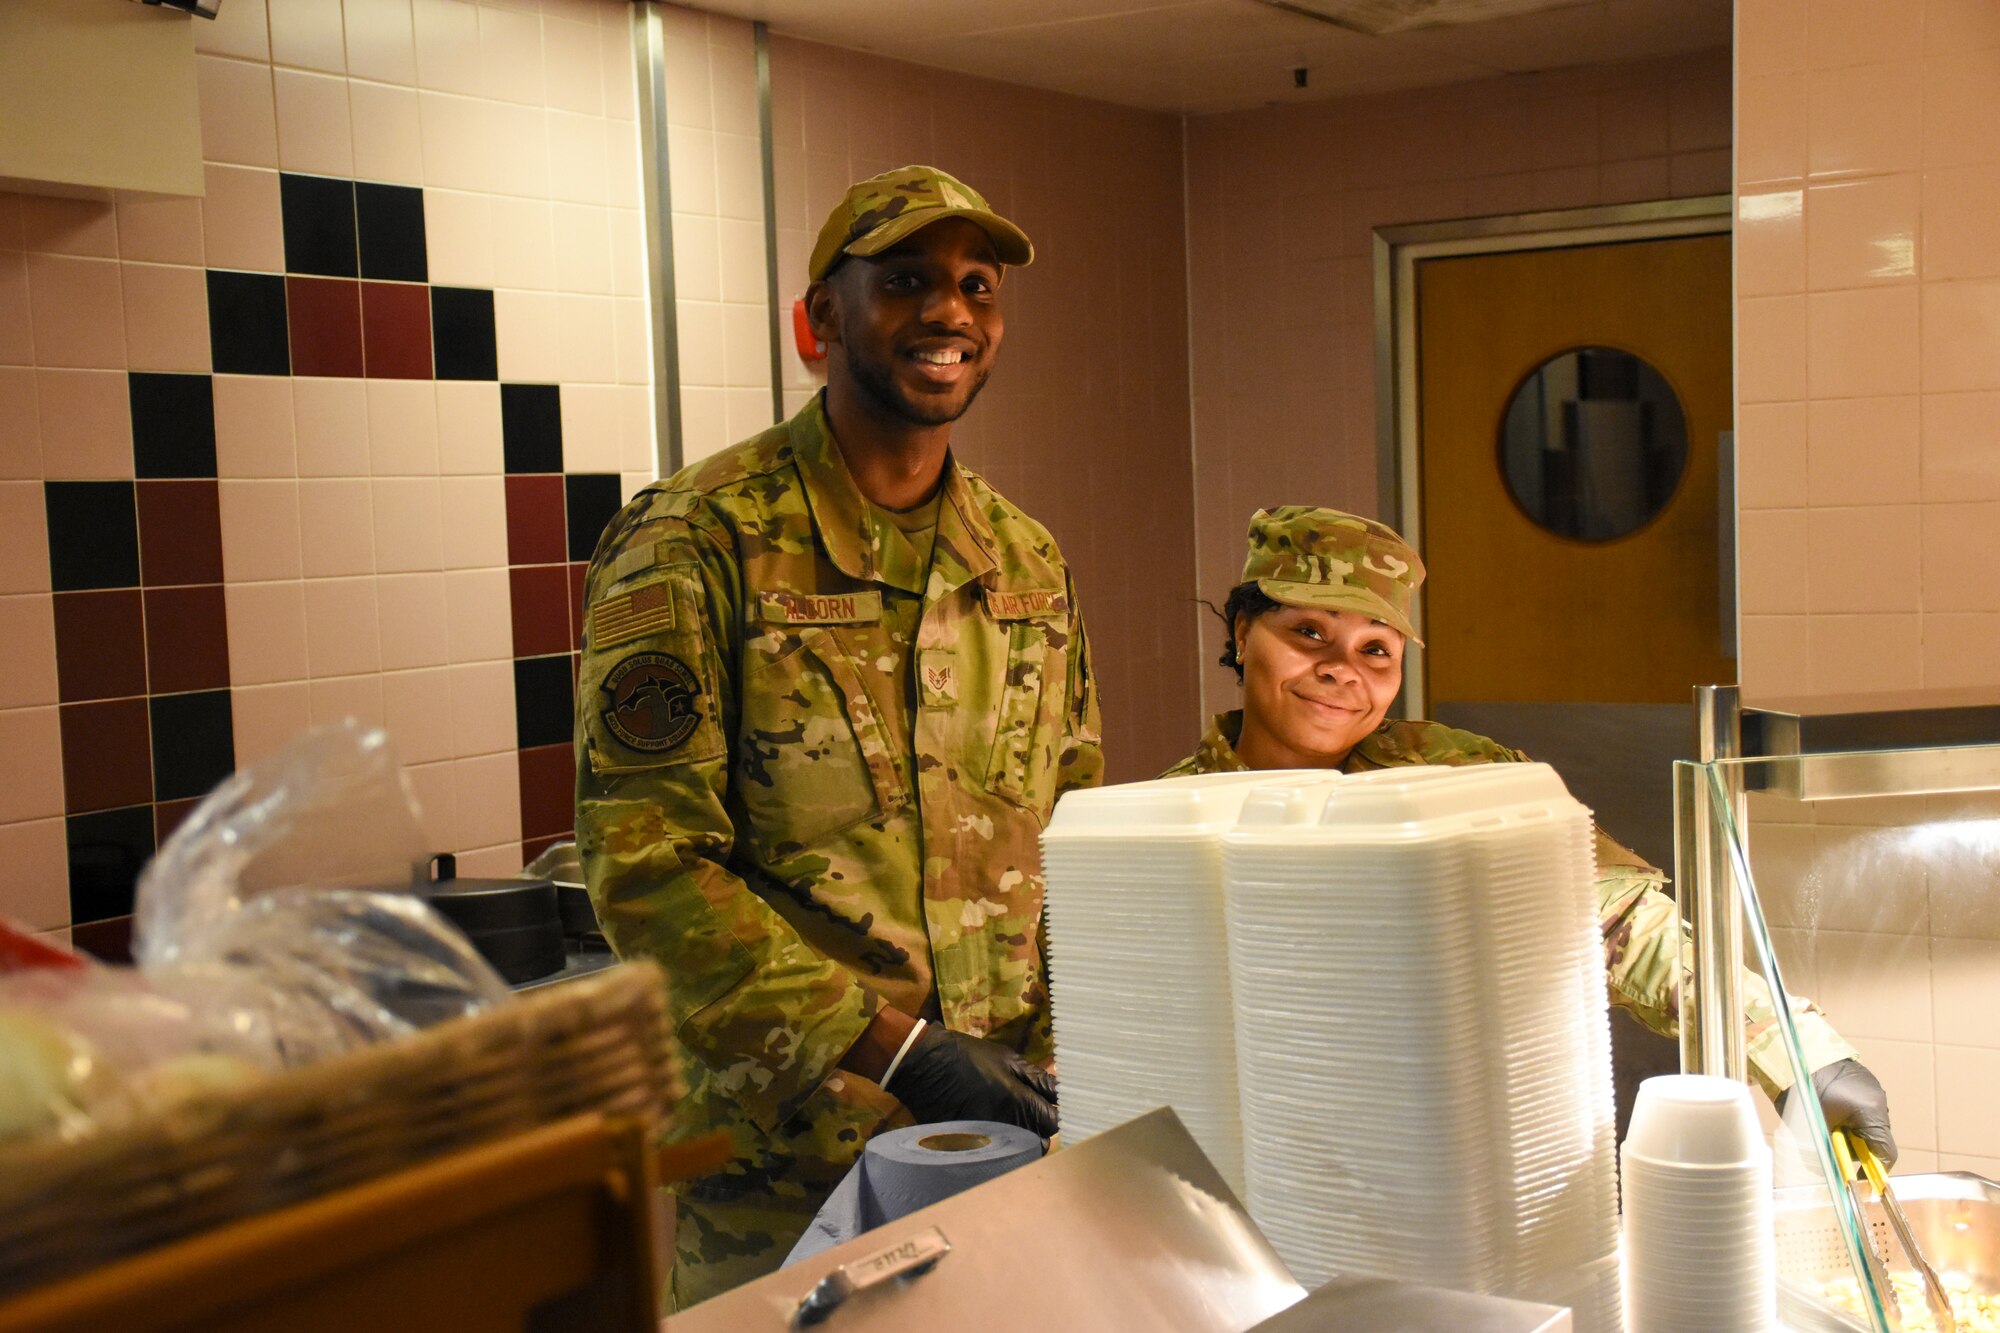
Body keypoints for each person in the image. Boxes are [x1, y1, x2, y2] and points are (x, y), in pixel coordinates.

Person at [574, 166, 1102, 1308]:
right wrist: (899, 1052)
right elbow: (647, 866)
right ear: (817, 323)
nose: (950, 312)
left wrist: (1067, 1060)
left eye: (976, 286)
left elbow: (1079, 828)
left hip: (1011, 1149)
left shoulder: (1023, 562)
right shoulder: (696, 541)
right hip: (792, 1161)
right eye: (906, 281)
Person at [1165, 504, 1896, 1163]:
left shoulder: (1457, 774)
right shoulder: (1161, 823)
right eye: (1309, 632)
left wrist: (1797, 1053)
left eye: (1375, 649)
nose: (1339, 670)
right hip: (1236, 1169)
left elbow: (1619, 919)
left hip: (1439, 1160)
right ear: (1242, 632)